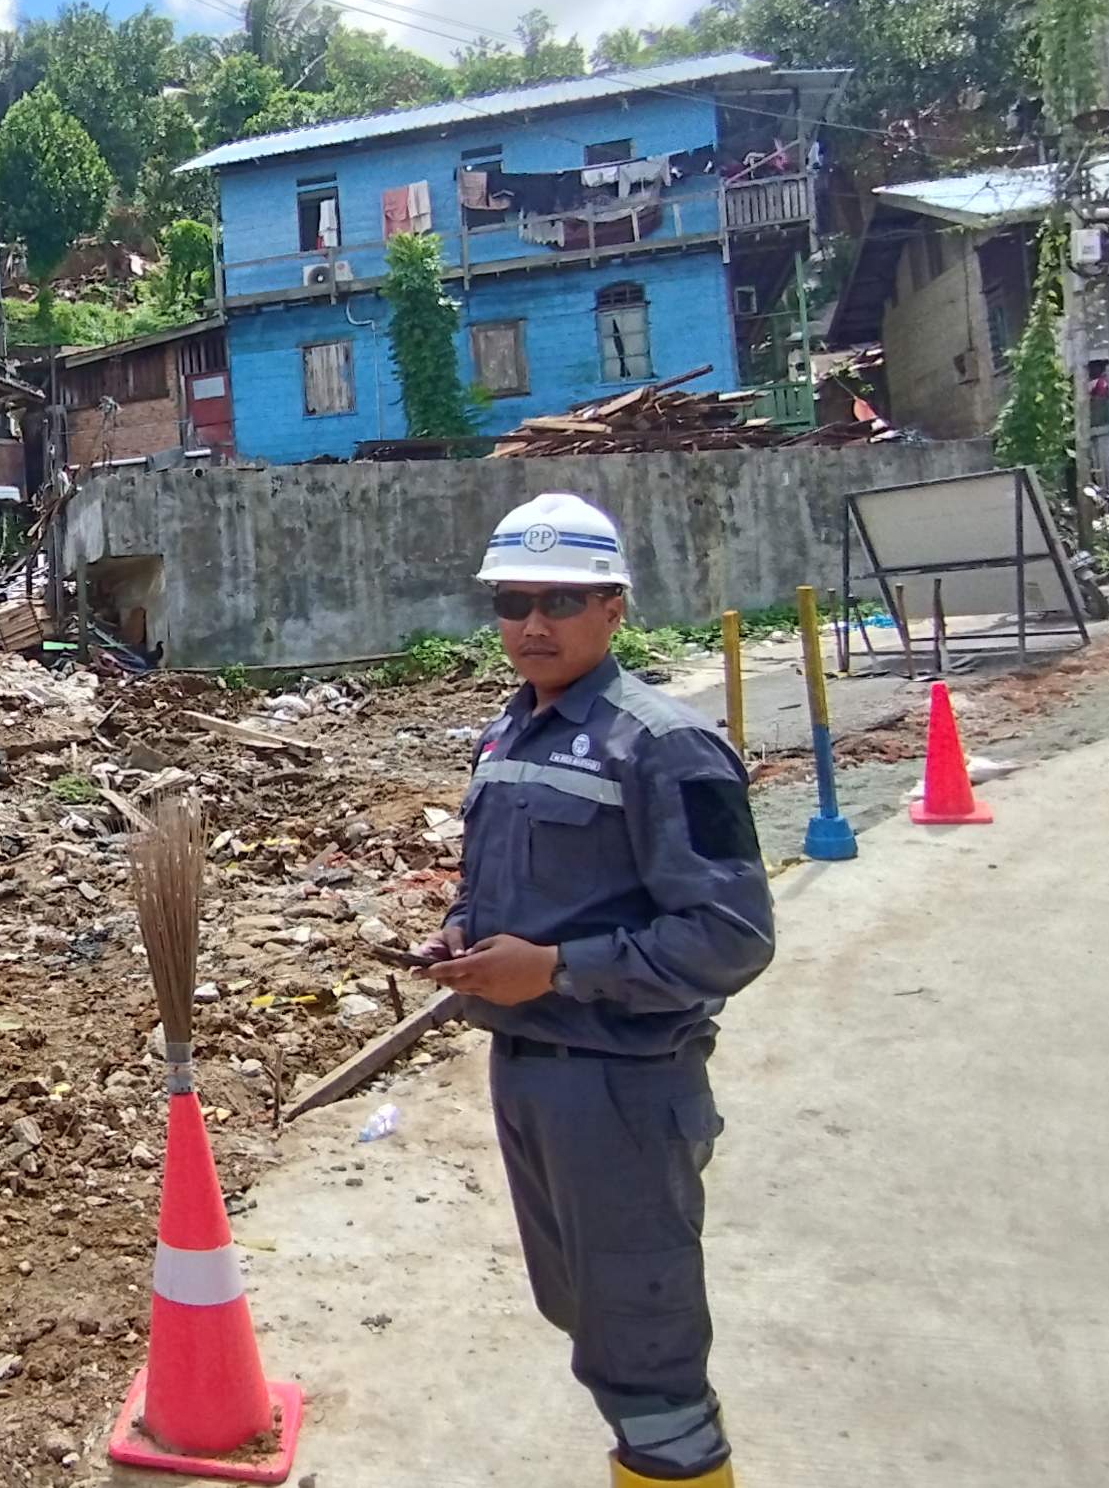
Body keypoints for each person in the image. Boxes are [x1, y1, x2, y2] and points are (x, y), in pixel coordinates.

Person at [416, 491, 775, 1488]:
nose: (533, 624)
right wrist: (463, 931)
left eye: (561, 602)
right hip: (527, 1074)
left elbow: (733, 936)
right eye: (513, 602)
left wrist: (559, 969)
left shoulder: (665, 745)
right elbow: (494, 883)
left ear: (613, 608)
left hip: (621, 1083)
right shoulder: (509, 733)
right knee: (583, 1312)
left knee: (648, 1356)